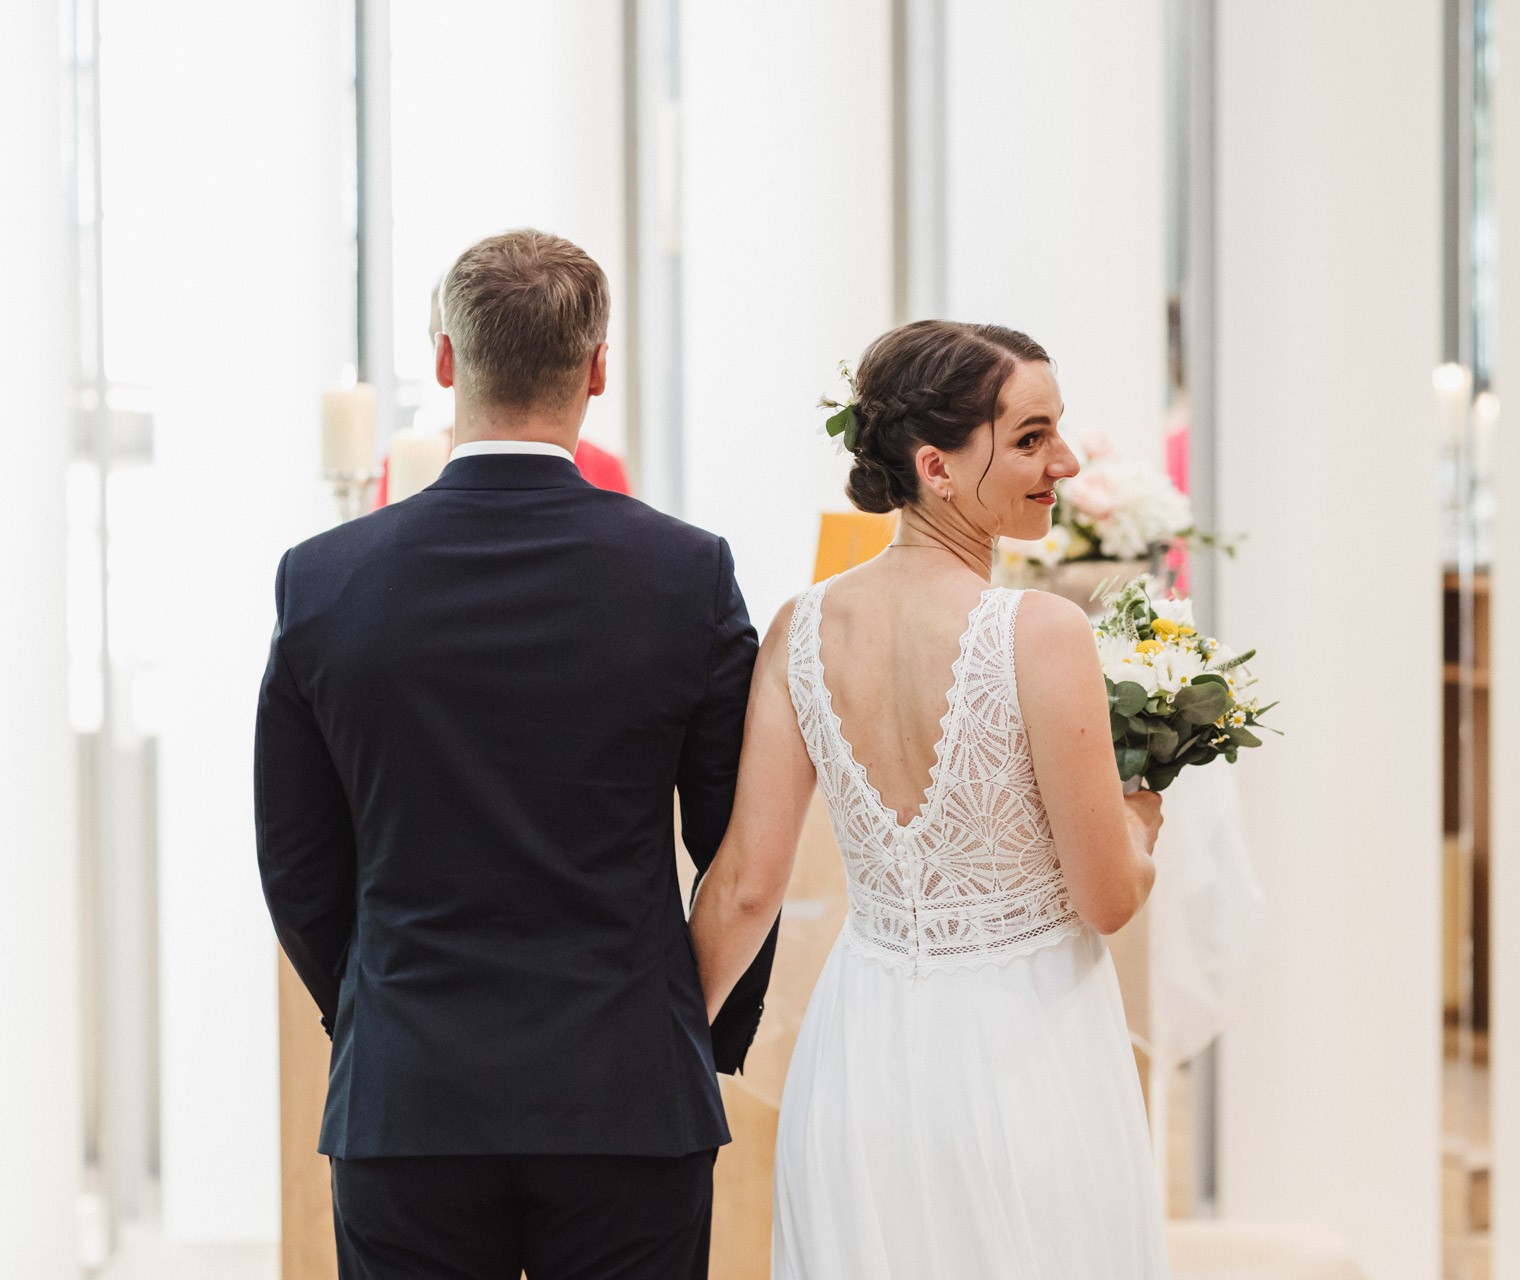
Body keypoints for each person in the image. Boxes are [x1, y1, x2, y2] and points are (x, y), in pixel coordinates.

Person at [255, 228, 774, 1279]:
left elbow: (297, 862)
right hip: (629, 1089)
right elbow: (736, 852)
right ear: (597, 368)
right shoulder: (687, 574)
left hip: (408, 1091)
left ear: (444, 359)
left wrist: (375, 1008)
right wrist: (678, 1026)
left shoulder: (325, 579)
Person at [689, 319, 1171, 1279]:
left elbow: (745, 883)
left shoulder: (799, 626)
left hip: (860, 1055)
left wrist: (665, 1050)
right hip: (1026, 1055)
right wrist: (1141, 813)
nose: (1066, 461)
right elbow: (1108, 898)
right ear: (935, 467)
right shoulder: (1043, 633)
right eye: (1030, 438)